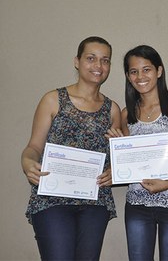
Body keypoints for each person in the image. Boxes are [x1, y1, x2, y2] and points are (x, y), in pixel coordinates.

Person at [21, 36, 122, 260]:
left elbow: (121, 159)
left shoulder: (112, 109)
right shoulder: (53, 99)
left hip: (95, 200)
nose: (98, 66)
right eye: (91, 58)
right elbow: (33, 147)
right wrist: (27, 163)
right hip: (51, 198)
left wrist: (116, 172)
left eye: (105, 60)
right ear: (77, 61)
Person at [107, 45, 168, 261]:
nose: (140, 76)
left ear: (159, 71)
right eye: (134, 71)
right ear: (128, 76)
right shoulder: (127, 114)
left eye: (146, 69)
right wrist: (118, 149)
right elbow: (128, 163)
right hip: (138, 204)